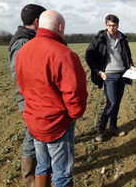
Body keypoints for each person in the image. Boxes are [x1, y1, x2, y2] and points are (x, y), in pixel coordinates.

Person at [15, 10, 88, 187]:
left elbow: (22, 86)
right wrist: (73, 115)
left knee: (42, 165)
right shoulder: (64, 54)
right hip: (57, 124)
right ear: (60, 27)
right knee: (62, 174)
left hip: (34, 120)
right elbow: (75, 93)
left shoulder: (23, 51)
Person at [8, 3, 46, 187]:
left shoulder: (32, 38)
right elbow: (19, 75)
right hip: (28, 97)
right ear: (37, 21)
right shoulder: (22, 41)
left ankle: (43, 167)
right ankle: (29, 178)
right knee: (31, 132)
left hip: (38, 96)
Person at [85, 14, 136, 142]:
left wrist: (132, 67)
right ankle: (101, 130)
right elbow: (89, 56)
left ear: (117, 25)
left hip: (122, 75)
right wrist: (99, 72)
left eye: (114, 25)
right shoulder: (99, 39)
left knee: (117, 102)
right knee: (111, 103)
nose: (112, 28)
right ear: (106, 25)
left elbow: (127, 57)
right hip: (109, 75)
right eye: (109, 25)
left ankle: (113, 127)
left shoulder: (123, 39)